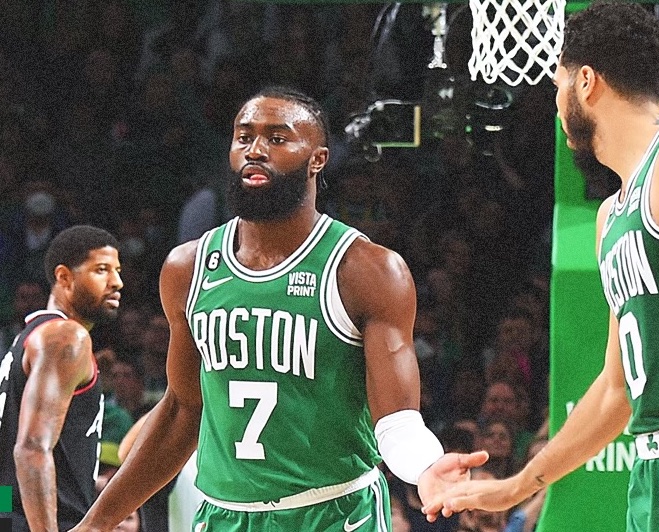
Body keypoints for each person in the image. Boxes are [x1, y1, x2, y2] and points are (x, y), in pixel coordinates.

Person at [423, 4, 659, 530]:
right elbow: (617, 390)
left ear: (586, 81)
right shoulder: (611, 215)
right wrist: (514, 487)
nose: (555, 102)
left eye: (557, 84)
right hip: (655, 471)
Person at [71, 86, 487, 531]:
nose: (255, 150)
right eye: (243, 137)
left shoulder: (367, 270)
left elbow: (397, 421)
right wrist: (95, 524)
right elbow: (182, 411)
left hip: (334, 513)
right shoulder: (187, 267)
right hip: (224, 516)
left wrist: (425, 466)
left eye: (277, 138)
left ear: (318, 159)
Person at [0, 225, 123, 530]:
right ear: (64, 277)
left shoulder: (27, 339)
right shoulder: (67, 337)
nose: (116, 282)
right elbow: (31, 449)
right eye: (101, 270)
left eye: (117, 271)